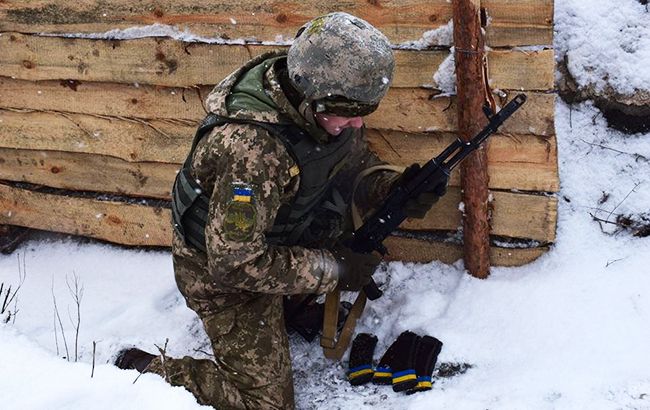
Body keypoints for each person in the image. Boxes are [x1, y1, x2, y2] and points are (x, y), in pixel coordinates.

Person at [115, 12, 445, 409]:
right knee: (265, 404)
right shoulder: (251, 152)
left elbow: (349, 166)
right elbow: (234, 264)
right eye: (349, 111)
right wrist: (334, 269)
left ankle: (290, 304)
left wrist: (394, 190)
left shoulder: (316, 100)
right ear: (314, 98)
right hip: (222, 275)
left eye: (364, 111)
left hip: (278, 234)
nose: (358, 121)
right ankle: (146, 368)